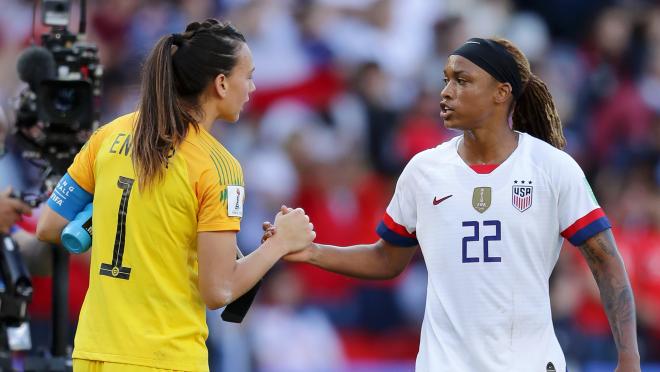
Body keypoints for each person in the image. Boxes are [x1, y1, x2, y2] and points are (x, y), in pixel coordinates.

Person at [263, 37, 640, 372]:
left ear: (501, 92)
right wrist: (310, 252)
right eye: (446, 79)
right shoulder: (424, 170)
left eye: (462, 80)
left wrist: (629, 360)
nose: (446, 91)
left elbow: (606, 261)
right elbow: (385, 259)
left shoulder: (553, 168)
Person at [36, 19, 315, 372]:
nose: (253, 87)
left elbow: (49, 225)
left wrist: (111, 217)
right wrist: (280, 244)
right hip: (164, 357)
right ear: (221, 83)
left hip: (93, 350)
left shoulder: (110, 135)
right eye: (249, 76)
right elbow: (219, 291)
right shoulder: (219, 166)